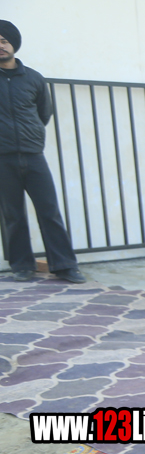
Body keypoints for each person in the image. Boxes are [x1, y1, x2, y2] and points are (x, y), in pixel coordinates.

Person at [0, 21, 84, 284]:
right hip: (3, 157)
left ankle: (65, 265)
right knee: (12, 214)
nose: (0, 46)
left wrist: (31, 134)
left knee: (49, 210)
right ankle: (22, 265)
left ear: (13, 44)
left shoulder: (34, 78)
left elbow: (43, 113)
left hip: (33, 154)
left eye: (3, 40)